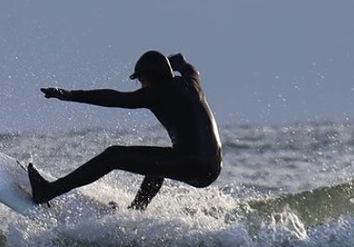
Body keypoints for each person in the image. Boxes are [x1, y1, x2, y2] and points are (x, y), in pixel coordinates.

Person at [27, 50, 222, 210]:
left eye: (141, 80)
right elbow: (180, 59)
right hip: (212, 165)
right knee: (157, 163)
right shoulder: (191, 79)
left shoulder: (156, 93)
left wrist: (68, 95)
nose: (141, 85)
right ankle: (137, 210)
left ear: (151, 78)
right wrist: (164, 65)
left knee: (114, 155)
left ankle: (48, 191)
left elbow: (112, 98)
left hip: (193, 164)